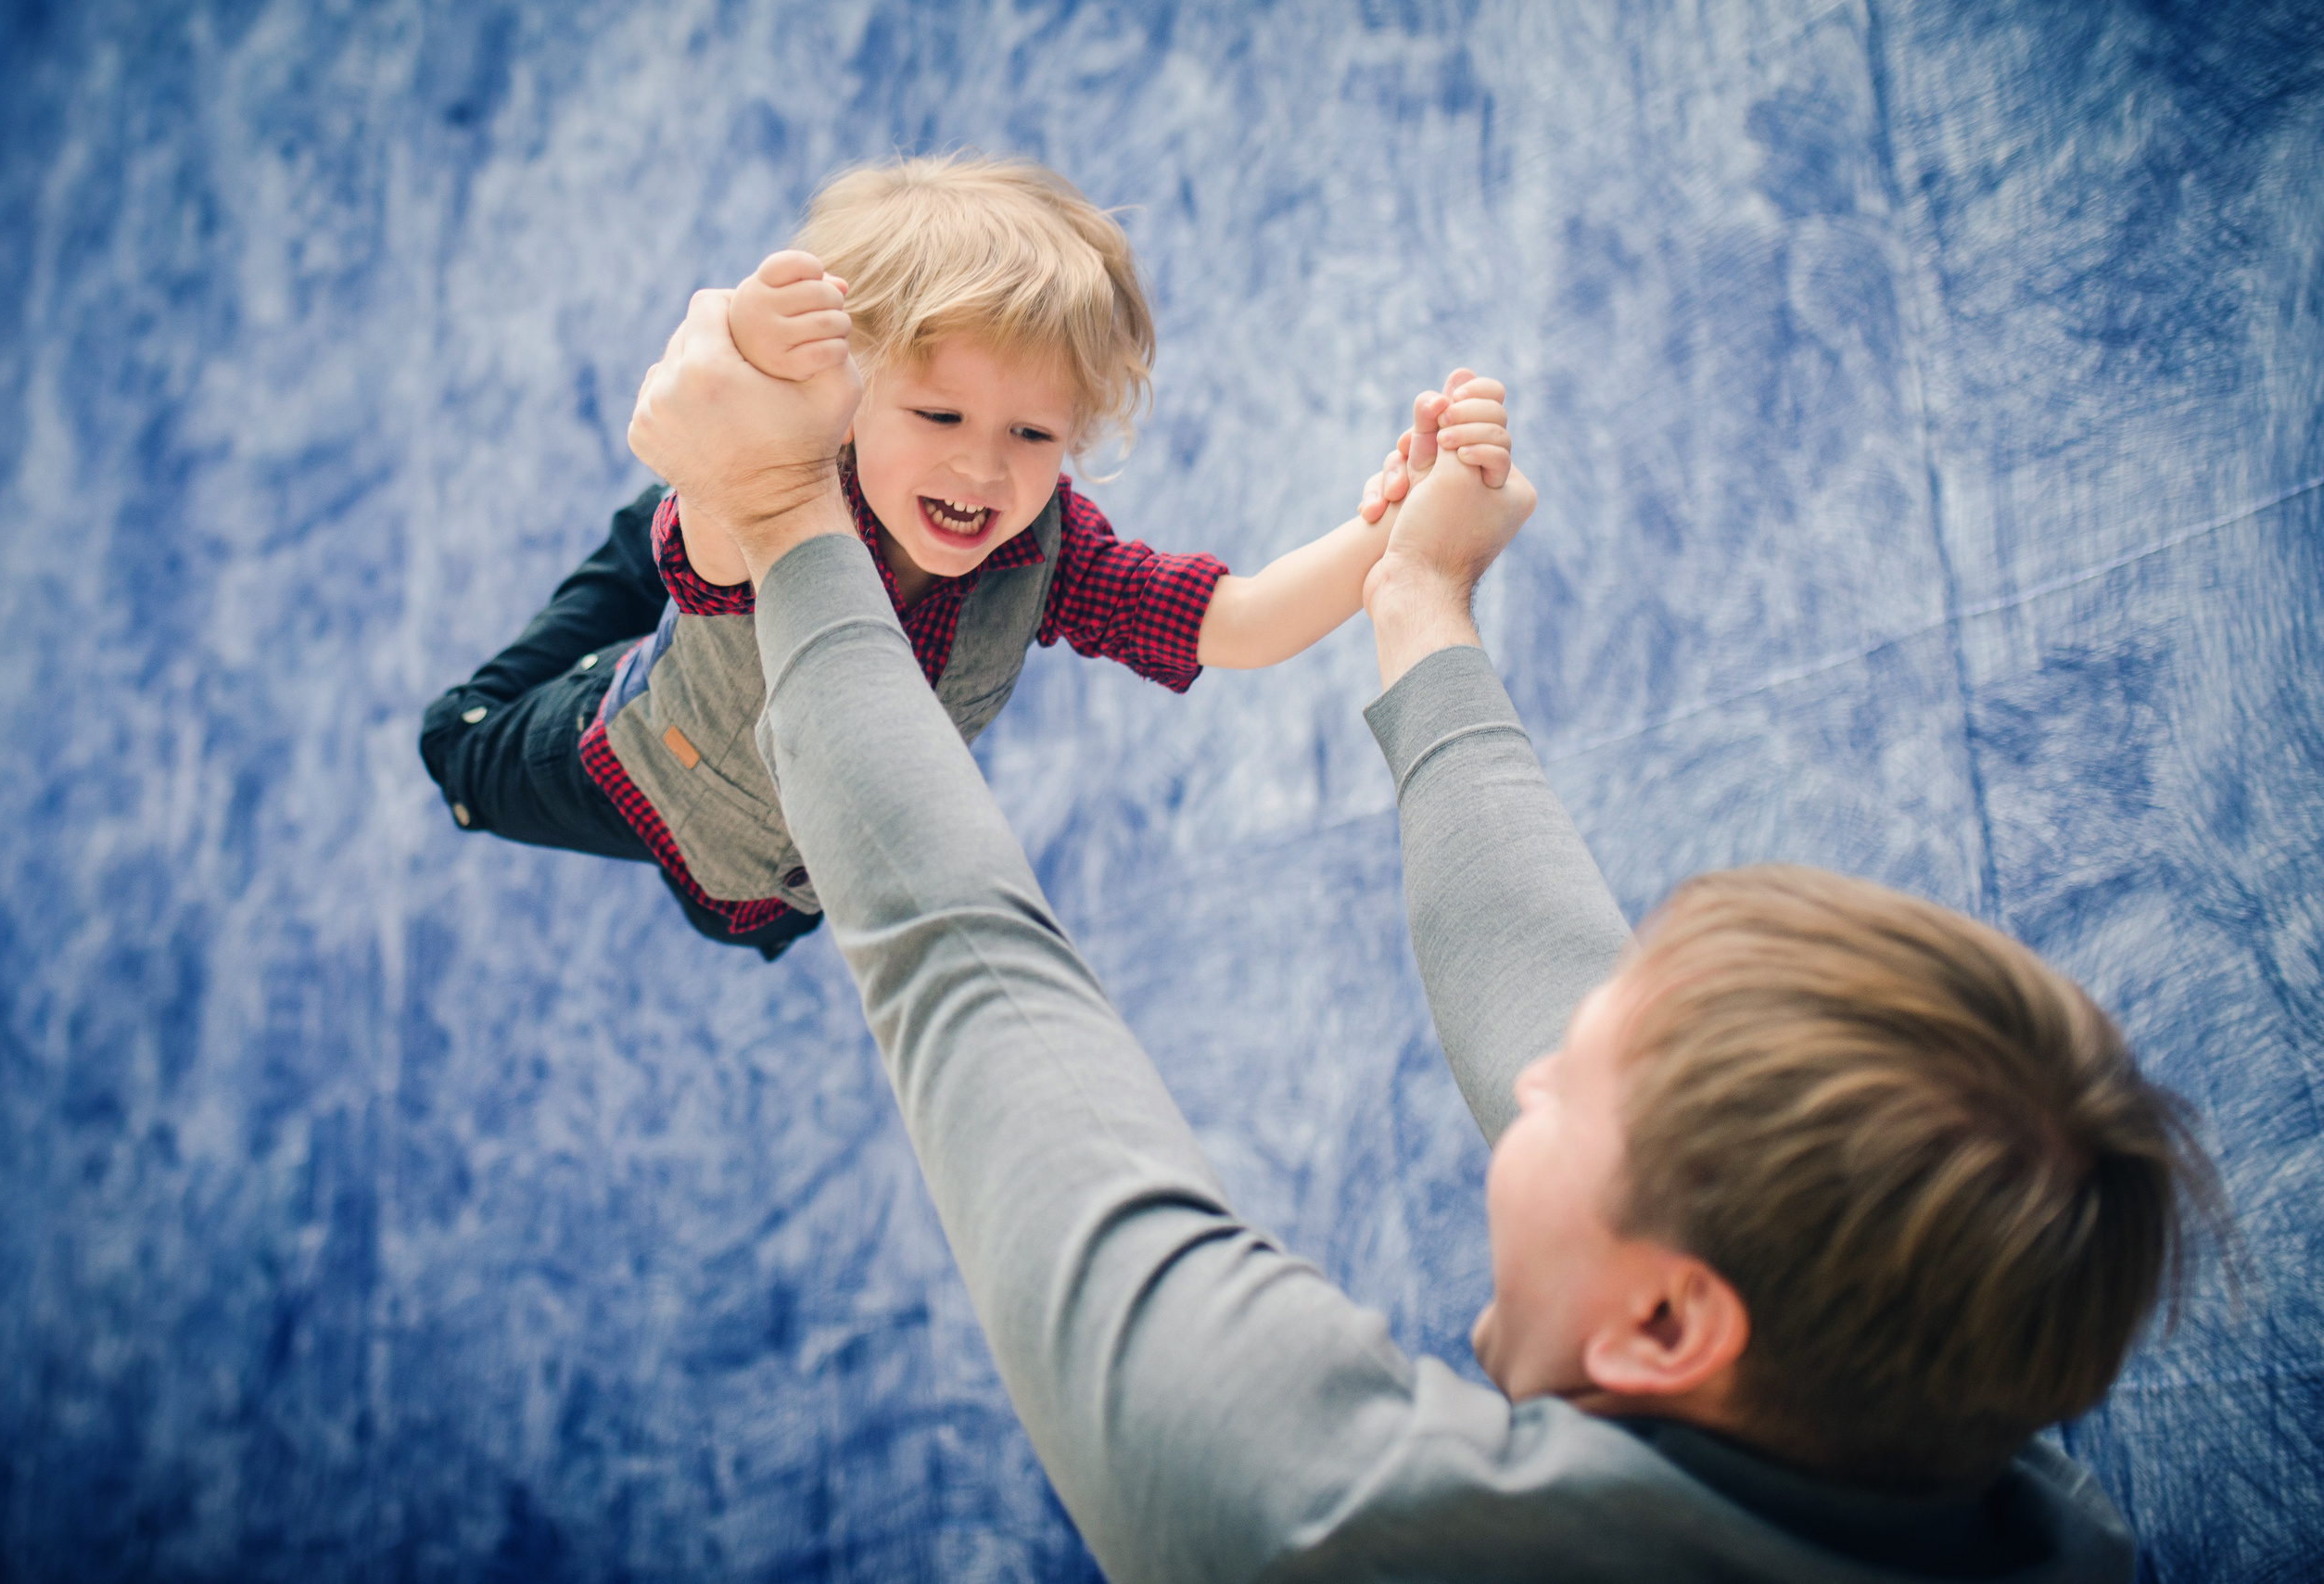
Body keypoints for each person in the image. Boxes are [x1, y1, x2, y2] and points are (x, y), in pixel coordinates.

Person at [622, 286, 2218, 1579]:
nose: (1523, 1078)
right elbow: (1561, 995)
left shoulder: (1322, 1524)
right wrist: (1420, 599)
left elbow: (967, 961)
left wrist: (780, 506)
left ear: (1669, 1321)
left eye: (1558, 1100)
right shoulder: (2018, 1492)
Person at [417, 153, 1494, 958]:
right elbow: (717, 518)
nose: (982, 470)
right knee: (464, 751)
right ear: (846, 399)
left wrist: (1391, 530)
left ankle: (640, 538)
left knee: (676, 555)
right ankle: (590, 595)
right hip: (638, 756)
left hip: (766, 866)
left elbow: (1241, 621)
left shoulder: (1044, 551)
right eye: (938, 414)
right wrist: (752, 364)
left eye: (1031, 435)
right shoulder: (788, 481)